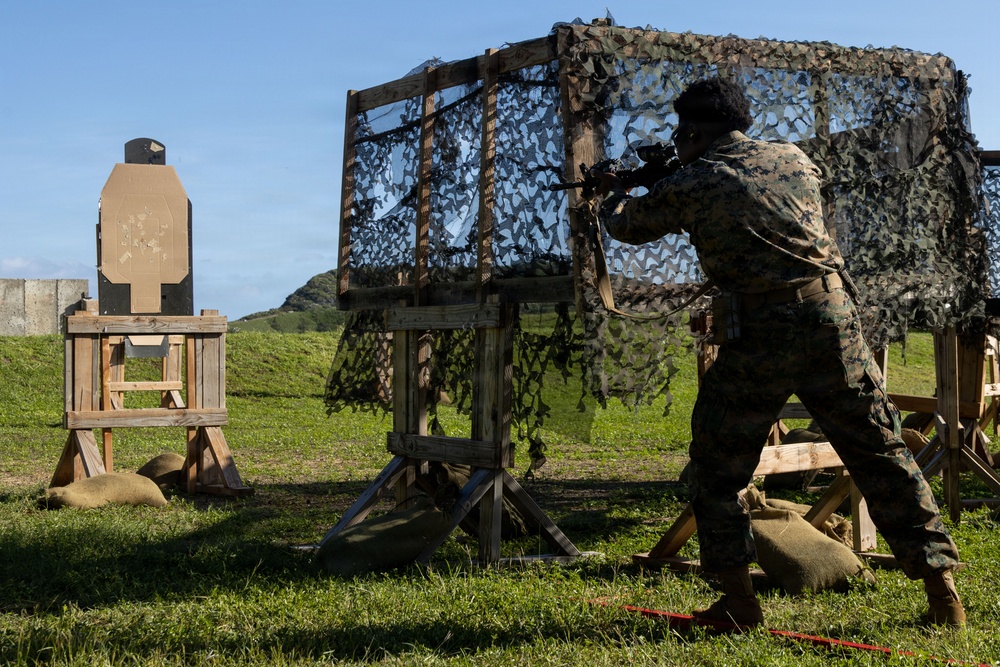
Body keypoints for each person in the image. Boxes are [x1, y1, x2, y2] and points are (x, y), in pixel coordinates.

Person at [594, 76, 965, 628]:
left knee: (717, 471)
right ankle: (944, 597)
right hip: (832, 320)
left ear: (693, 130)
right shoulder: (793, 157)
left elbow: (626, 226)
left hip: (763, 331)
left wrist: (612, 191)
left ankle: (738, 604)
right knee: (882, 454)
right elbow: (753, 193)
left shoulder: (693, 180)